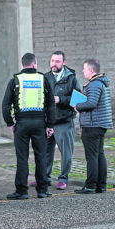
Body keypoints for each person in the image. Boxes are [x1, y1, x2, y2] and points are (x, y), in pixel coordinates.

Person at [2, 52, 57, 200]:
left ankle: (22, 191)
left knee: (22, 158)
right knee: (41, 157)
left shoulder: (15, 80)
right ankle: (42, 190)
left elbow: (6, 105)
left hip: (22, 124)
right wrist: (50, 124)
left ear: (22, 65)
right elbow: (51, 104)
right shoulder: (43, 79)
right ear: (34, 64)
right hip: (40, 123)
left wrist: (10, 123)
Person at [31, 51, 81, 190]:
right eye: (52, 61)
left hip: (64, 120)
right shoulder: (45, 77)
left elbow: (78, 98)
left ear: (64, 62)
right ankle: (44, 177)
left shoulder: (71, 78)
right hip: (47, 122)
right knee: (45, 151)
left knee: (66, 152)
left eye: (57, 61)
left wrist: (61, 99)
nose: (54, 64)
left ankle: (63, 179)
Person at [73, 58, 113, 194]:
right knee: (99, 155)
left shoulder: (95, 84)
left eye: (84, 68)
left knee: (92, 156)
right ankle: (100, 186)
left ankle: (90, 185)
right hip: (99, 124)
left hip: (92, 125)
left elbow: (91, 103)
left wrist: (77, 106)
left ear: (91, 70)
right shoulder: (100, 82)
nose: (83, 71)